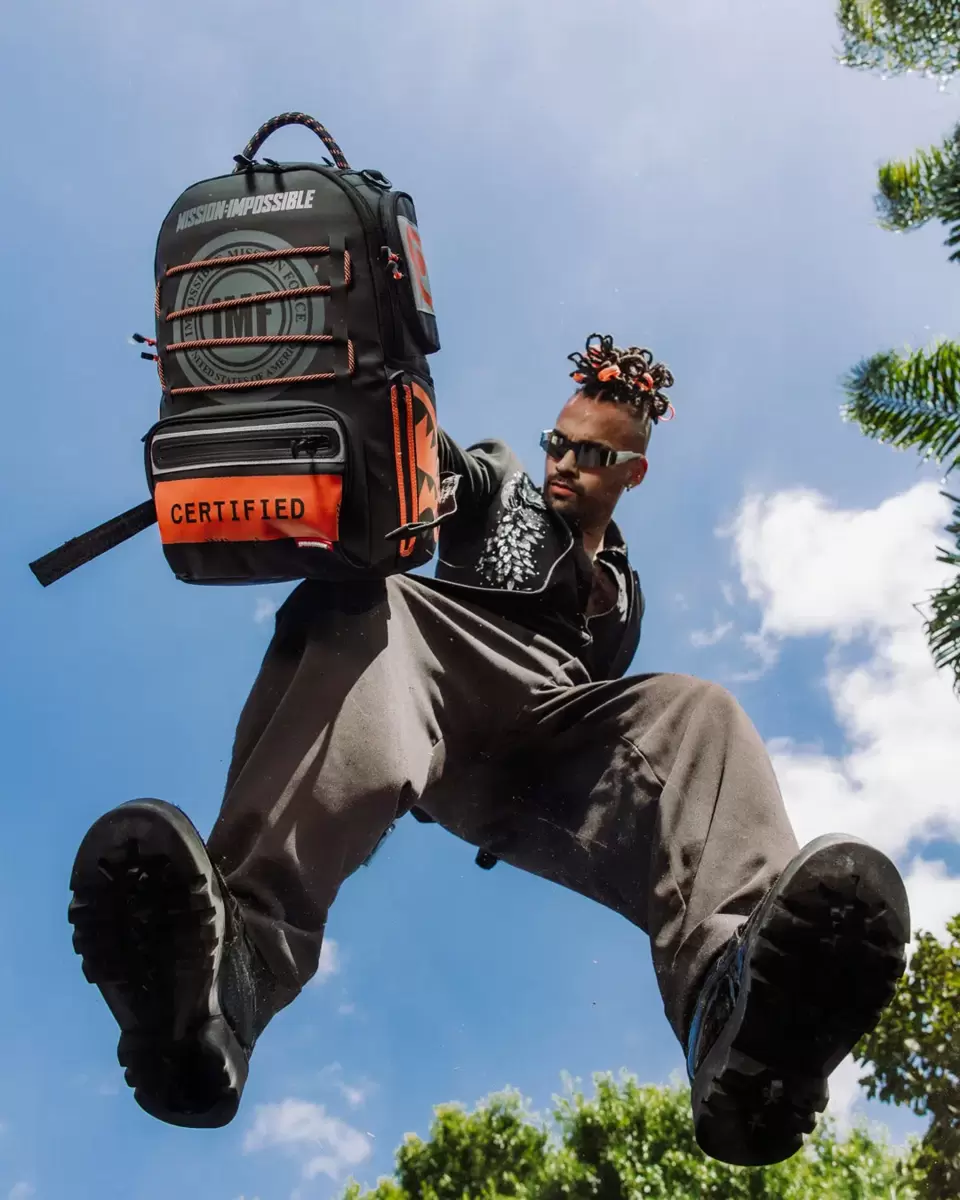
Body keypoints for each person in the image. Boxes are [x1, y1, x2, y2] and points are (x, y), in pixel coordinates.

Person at [68, 333, 910, 1167]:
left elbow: (621, 730)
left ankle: (740, 1012)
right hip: (437, 681)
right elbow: (419, 451)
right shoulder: (499, 482)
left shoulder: (624, 595)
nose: (564, 463)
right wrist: (312, 372)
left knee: (700, 713)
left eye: (591, 454)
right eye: (558, 443)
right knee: (364, 599)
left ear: (634, 472)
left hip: (551, 749)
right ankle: (229, 973)